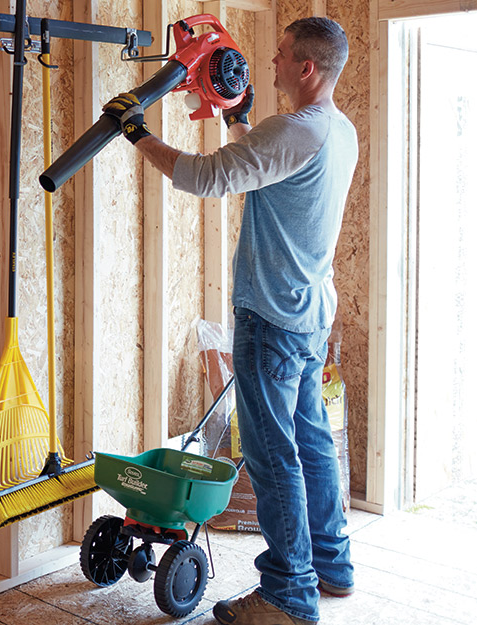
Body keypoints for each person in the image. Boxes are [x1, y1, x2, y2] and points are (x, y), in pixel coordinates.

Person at [102, 16, 357, 625]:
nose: (268, 65)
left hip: (271, 319)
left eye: (280, 56)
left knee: (273, 457)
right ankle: (332, 566)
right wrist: (233, 111)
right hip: (308, 315)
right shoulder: (336, 129)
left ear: (306, 69)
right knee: (312, 443)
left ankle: (288, 596)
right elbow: (261, 165)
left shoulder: (292, 130)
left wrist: (135, 132)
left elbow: (212, 175)